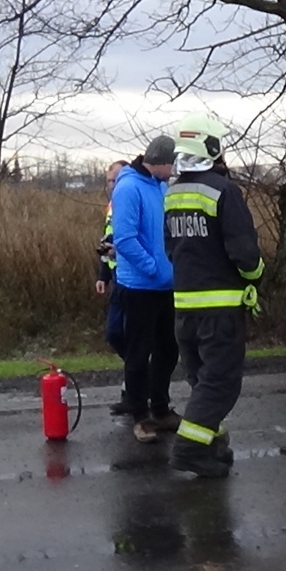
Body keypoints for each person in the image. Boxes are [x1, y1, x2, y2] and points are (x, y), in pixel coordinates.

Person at [164, 113, 263, 478]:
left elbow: (171, 247)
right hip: (220, 309)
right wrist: (256, 277)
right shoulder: (224, 191)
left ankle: (213, 444)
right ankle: (189, 451)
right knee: (220, 384)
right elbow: (244, 253)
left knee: (203, 380)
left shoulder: (174, 192)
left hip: (184, 307)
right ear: (212, 147)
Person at [111, 135, 181, 443]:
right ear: (161, 161)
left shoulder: (161, 187)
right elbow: (124, 239)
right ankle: (140, 415)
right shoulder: (128, 188)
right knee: (139, 353)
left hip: (167, 285)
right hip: (139, 286)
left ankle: (161, 407)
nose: (174, 169)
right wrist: (154, 268)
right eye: (173, 163)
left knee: (169, 349)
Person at [97, 159, 133, 416]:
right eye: (109, 180)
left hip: (133, 280)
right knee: (114, 334)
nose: (112, 185)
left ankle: (133, 392)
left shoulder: (131, 200)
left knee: (133, 338)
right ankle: (139, 379)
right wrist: (103, 275)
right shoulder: (112, 206)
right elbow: (108, 241)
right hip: (117, 277)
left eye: (116, 180)